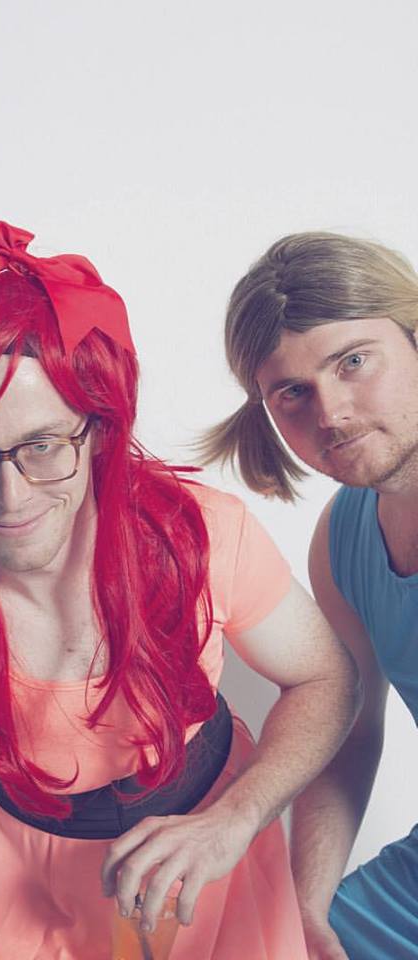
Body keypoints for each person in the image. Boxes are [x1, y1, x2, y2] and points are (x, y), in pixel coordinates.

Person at [0, 220, 360, 959]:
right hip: (24, 882)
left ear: (99, 430)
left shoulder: (200, 534)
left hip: (214, 855)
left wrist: (236, 819)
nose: (11, 496)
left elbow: (326, 678)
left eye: (43, 446)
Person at [201, 231, 418, 960]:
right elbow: (353, 728)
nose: (331, 413)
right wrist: (306, 907)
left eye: (353, 362)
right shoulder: (343, 535)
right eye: (292, 393)